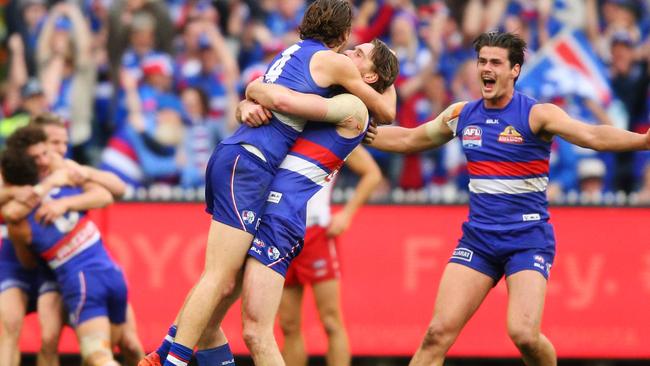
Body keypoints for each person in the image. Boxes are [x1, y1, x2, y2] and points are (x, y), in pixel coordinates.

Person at [368, 31, 650, 366]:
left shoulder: (537, 115)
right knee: (436, 334)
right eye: (482, 61)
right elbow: (408, 139)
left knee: (524, 335)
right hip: (479, 240)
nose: (486, 68)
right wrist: (354, 130)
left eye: (495, 63)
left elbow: (592, 134)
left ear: (514, 70)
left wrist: (643, 142)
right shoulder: (462, 115)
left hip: (527, 240)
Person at [145, 1, 396, 365]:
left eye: (361, 54)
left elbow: (280, 95)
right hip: (256, 175)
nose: (352, 49)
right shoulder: (329, 73)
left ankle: (166, 355)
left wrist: (253, 92)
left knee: (240, 314)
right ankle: (167, 357)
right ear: (340, 35)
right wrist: (250, 99)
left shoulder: (326, 84)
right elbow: (282, 97)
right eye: (352, 45)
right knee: (225, 295)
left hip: (269, 195)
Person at [1, 148, 124, 366]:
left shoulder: (18, 221)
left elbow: (26, 258)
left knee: (98, 357)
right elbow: (107, 195)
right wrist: (58, 187)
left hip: (82, 281)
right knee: (113, 349)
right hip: (111, 271)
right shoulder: (66, 184)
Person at [278, 145, 381, 366]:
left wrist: (347, 215)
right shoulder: (282, 128)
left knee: (331, 320)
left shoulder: (334, 132)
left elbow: (372, 174)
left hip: (316, 233)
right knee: (288, 324)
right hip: (281, 234)